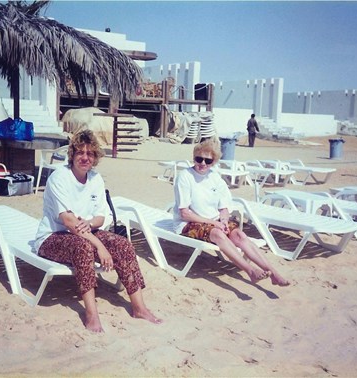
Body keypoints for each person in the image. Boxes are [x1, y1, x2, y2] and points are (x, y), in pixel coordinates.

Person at [34, 129, 162, 332]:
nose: (85, 157)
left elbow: (100, 217)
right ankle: (92, 314)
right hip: (52, 237)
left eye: (90, 153)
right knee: (83, 246)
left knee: (122, 244)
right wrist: (100, 246)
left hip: (87, 232)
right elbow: (67, 221)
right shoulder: (59, 177)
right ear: (72, 155)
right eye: (80, 153)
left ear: (95, 158)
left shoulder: (95, 179)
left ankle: (139, 307)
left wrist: (90, 223)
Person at [173, 139, 289, 286]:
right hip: (188, 223)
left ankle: (274, 274)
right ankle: (250, 271)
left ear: (214, 161)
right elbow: (185, 213)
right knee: (218, 234)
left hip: (214, 221)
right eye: (199, 159)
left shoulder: (215, 178)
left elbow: (224, 207)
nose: (203, 163)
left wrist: (223, 220)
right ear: (194, 157)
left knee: (240, 235)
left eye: (208, 160)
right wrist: (215, 223)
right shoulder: (185, 176)